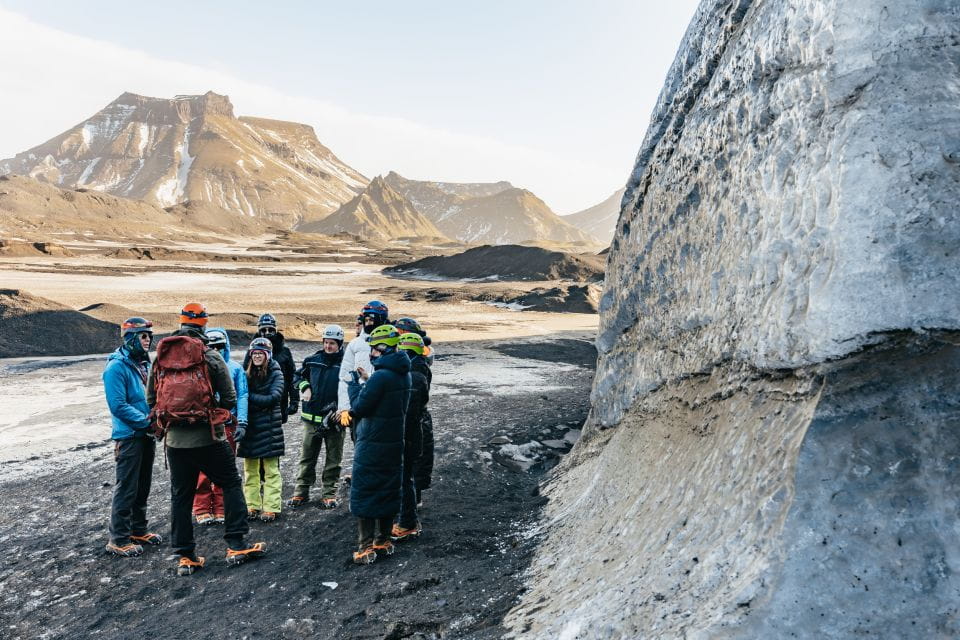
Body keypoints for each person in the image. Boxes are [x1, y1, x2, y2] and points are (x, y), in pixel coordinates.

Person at [148, 302, 265, 576]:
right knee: (230, 482)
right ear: (204, 324)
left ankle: (185, 556)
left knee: (181, 495)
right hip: (209, 438)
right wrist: (210, 411)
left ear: (181, 322)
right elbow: (231, 397)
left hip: (175, 442)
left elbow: (151, 399)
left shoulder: (161, 357)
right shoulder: (209, 355)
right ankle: (236, 544)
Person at [348, 324, 411, 564]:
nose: (372, 353)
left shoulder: (382, 376)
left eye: (375, 349)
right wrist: (369, 380)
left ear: (384, 348)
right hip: (393, 442)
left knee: (366, 489)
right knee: (387, 489)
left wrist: (354, 386)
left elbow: (360, 407)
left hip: (372, 443)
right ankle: (383, 541)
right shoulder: (402, 373)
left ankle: (365, 547)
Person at [103, 317, 162, 557]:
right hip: (129, 437)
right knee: (127, 487)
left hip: (145, 435)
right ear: (130, 339)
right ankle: (118, 538)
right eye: (143, 336)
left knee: (142, 485)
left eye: (149, 336)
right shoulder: (116, 368)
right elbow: (118, 405)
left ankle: (138, 530)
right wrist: (148, 422)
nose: (148, 340)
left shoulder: (143, 364)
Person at [192, 328, 248, 526]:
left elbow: (242, 395)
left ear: (226, 347)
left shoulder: (235, 368)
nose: (216, 350)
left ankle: (221, 507)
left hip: (227, 423)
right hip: (205, 425)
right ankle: (201, 507)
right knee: (203, 468)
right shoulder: (197, 369)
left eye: (220, 346)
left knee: (226, 467)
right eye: (212, 346)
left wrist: (242, 421)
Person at [288, 325, 346, 509]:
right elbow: (296, 377)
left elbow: (352, 389)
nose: (328, 346)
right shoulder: (312, 361)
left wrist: (343, 410)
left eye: (332, 343)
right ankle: (301, 492)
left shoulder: (346, 364)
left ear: (339, 344)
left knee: (333, 460)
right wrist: (305, 386)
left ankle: (329, 494)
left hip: (335, 420)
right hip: (310, 420)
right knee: (306, 458)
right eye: (326, 342)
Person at [237, 337, 286, 522]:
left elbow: (273, 398)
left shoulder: (276, 373)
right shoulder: (246, 373)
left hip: (269, 429)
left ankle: (272, 507)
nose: (257, 356)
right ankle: (252, 505)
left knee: (271, 470)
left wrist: (248, 397)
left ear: (267, 355)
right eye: (254, 353)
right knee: (250, 470)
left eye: (260, 353)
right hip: (251, 429)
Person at [392, 331, 431, 541]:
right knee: (406, 477)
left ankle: (408, 523)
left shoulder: (414, 377)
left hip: (408, 436)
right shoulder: (418, 372)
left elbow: (408, 412)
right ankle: (407, 519)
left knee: (405, 479)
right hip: (411, 435)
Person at [394, 317, 435, 507]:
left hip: (413, 418)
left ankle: (411, 502)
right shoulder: (416, 363)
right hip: (414, 417)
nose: (399, 337)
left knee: (413, 460)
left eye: (402, 333)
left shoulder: (416, 367)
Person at [338, 301, 390, 434]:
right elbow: (345, 378)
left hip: (383, 408)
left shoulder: (391, 344)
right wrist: (344, 408)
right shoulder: (354, 345)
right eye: (366, 320)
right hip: (359, 406)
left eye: (371, 320)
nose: (368, 323)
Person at [252, 313, 298, 423]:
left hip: (279, 401)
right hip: (257, 401)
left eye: (271, 330)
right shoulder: (253, 352)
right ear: (259, 331)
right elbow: (245, 377)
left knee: (277, 429)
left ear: (276, 330)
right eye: (263, 330)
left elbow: (292, 377)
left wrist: (294, 401)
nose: (267, 333)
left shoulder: (285, 352)